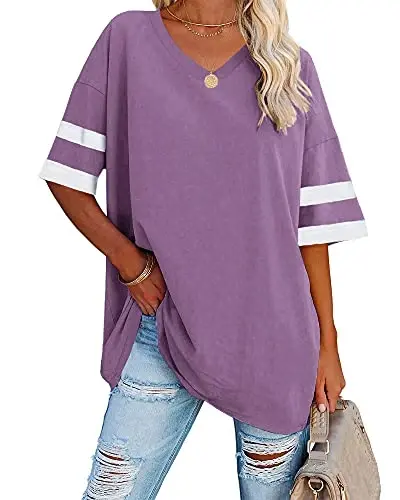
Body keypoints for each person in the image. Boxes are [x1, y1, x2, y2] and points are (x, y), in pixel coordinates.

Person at [39, 1, 367, 498]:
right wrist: (130, 264)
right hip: (161, 328)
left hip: (275, 343)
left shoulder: (288, 65)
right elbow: (66, 176)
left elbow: (311, 227)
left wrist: (328, 344)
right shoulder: (127, 40)